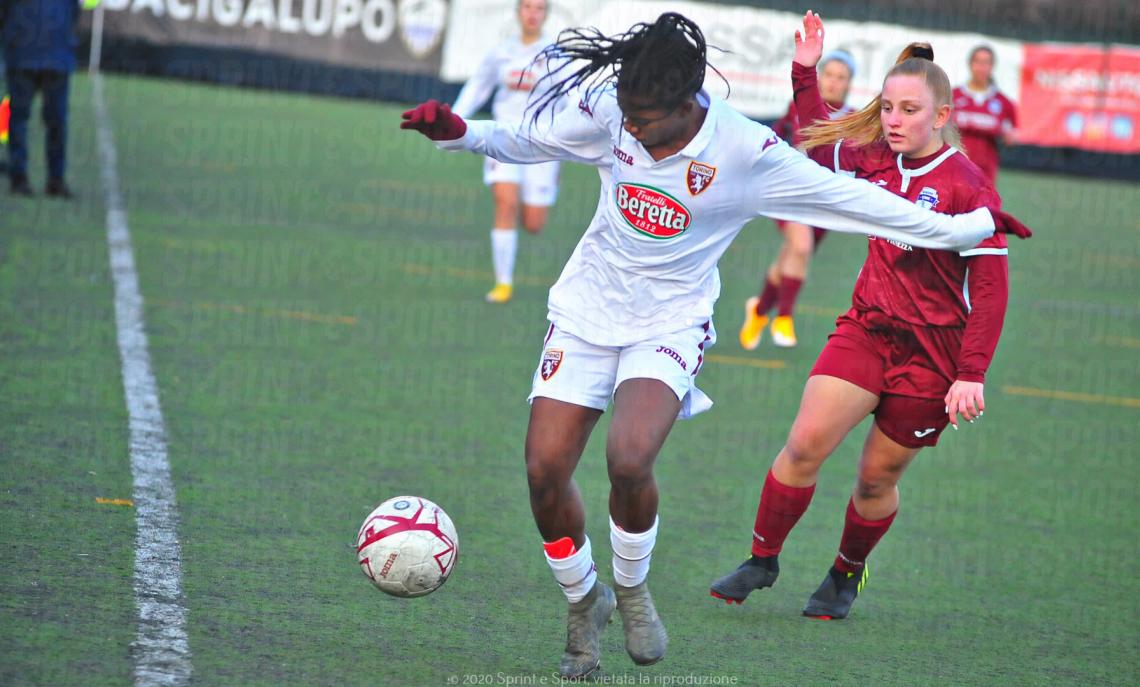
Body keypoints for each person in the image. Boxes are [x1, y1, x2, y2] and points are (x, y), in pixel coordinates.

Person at [402, 12, 1028, 678]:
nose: (634, 131)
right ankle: (585, 599)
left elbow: (854, 201)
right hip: (586, 308)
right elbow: (532, 139)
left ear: (688, 102)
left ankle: (635, 590)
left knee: (629, 456)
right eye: (629, 119)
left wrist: (964, 227)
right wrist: (462, 133)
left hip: (670, 321)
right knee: (543, 469)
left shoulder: (745, 152)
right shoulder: (617, 109)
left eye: (649, 121)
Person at [711, 12, 1017, 621]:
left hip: (934, 357)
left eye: (909, 110)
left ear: (942, 116)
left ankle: (845, 573)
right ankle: (762, 558)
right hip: (868, 328)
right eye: (889, 108)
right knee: (803, 444)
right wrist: (804, 68)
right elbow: (814, 139)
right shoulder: (875, 156)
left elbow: (991, 291)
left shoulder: (969, 188)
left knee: (875, 480)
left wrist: (971, 373)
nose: (895, 120)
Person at [741, 49, 856, 349]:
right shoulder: (798, 105)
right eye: (828, 74)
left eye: (840, 77)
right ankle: (784, 317)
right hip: (789, 191)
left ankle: (759, 309)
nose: (833, 82)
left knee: (792, 256)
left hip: (823, 201)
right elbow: (777, 136)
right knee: (800, 245)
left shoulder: (854, 119)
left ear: (849, 83)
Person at [451, 0, 563, 303]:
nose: (532, 13)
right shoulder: (501, 52)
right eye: (527, 6)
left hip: (542, 144)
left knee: (533, 223)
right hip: (503, 140)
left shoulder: (556, 55)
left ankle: (545, 191)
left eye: (539, 8)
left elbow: (568, 98)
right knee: (505, 203)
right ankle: (503, 283)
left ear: (546, 15)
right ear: (518, 12)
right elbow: (477, 88)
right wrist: (453, 120)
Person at [2, 0, 82, 197]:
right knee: (36, 121)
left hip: (35, 53)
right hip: (43, 54)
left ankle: (34, 177)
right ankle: (39, 178)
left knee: (32, 121)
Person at [952, 45, 1017, 183]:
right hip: (954, 166)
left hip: (985, 171)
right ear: (970, 64)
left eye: (986, 62)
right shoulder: (953, 96)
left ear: (992, 66)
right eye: (978, 62)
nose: (982, 67)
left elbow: (1012, 134)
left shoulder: (1003, 103)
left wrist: (1010, 137)